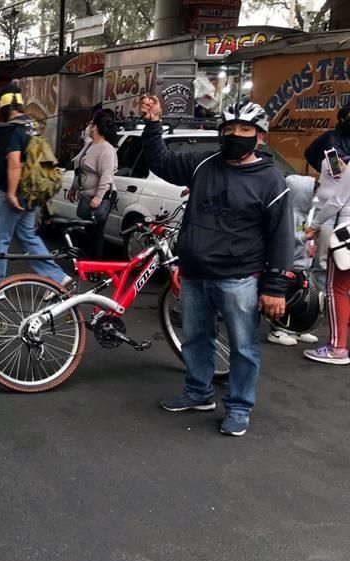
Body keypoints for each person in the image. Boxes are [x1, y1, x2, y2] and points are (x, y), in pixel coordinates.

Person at [139, 95, 292, 436]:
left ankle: (239, 407)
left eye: (245, 128)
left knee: (243, 347)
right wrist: (153, 123)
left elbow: (282, 238)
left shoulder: (271, 181)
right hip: (194, 273)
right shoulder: (204, 165)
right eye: (229, 128)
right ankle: (198, 392)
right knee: (195, 338)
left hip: (239, 279)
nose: (236, 134)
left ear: (260, 136)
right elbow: (161, 161)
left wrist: (274, 287)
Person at [0, 84, 71, 292]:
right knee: (28, 237)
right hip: (32, 192)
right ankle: (57, 276)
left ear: (3, 106)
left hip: (13, 193)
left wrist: (11, 193)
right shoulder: (32, 126)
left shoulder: (12, 129)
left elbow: (14, 163)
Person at [303, 158, 350, 365]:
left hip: (346, 234)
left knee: (336, 288)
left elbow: (336, 200)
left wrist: (315, 224)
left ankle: (337, 348)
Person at [267, 174, 318, 346]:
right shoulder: (290, 214)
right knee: (285, 299)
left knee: (296, 300)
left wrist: (309, 243)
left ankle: (293, 328)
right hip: (289, 266)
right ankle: (277, 329)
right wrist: (304, 237)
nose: (314, 199)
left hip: (300, 266)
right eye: (311, 195)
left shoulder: (303, 215)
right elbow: (286, 237)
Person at [68, 110, 118, 257]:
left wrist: (98, 197)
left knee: (96, 232)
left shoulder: (106, 149)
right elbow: (80, 167)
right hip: (88, 194)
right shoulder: (90, 145)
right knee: (89, 230)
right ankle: (91, 262)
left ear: (95, 127)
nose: (88, 127)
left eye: (90, 124)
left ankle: (96, 267)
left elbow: (106, 175)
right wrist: (74, 187)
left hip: (101, 196)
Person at [304, 105, 350, 173]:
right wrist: (323, 169)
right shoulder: (331, 139)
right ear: (343, 119)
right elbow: (336, 171)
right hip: (337, 181)